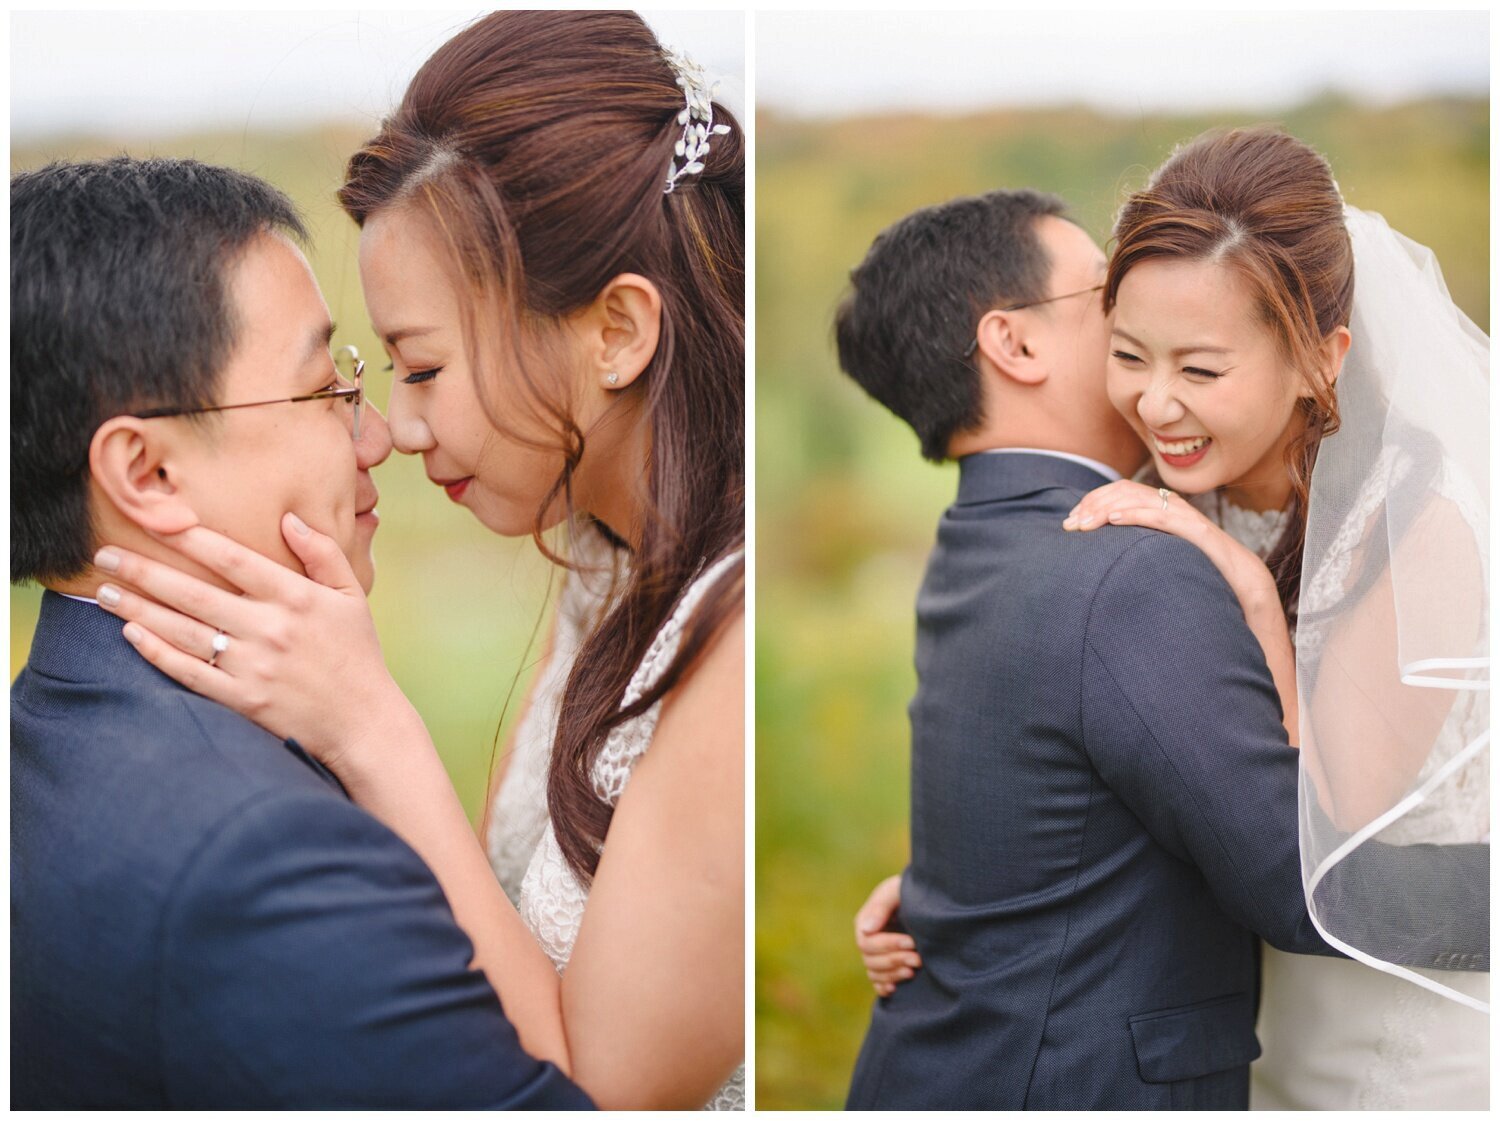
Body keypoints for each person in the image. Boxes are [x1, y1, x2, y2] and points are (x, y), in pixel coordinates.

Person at [90, 11, 746, 1111]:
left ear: (618, 332)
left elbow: (593, 1092)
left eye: (425, 367)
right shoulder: (603, 552)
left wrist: (373, 726)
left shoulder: (736, 645)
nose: (393, 428)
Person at [833, 181, 1487, 1109]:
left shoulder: (982, 537)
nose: (1135, 330)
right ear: (1013, 343)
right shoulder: (1126, 559)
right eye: (1106, 301)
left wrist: (969, 888)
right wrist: (959, 887)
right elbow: (1294, 881)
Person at [11, 156, 590, 1109]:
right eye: (327, 389)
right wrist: (380, 732)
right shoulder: (260, 855)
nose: (374, 440)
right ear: (147, 471)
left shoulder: (52, 716)